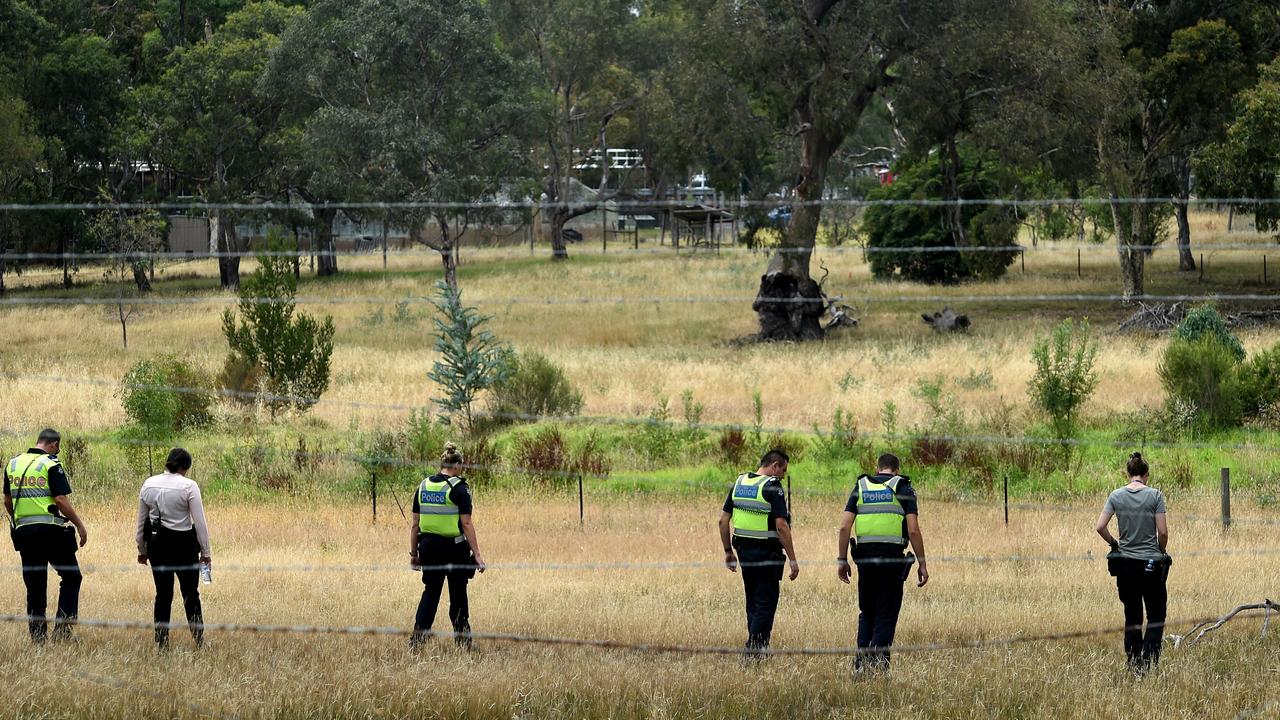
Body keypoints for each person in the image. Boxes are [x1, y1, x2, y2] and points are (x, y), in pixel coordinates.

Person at [836, 453, 928, 673]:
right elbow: (913, 529)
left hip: (865, 560)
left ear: (877, 468)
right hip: (891, 560)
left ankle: (860, 664)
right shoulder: (903, 488)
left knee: (867, 612)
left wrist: (842, 559)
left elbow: (843, 527)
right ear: (895, 470)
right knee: (886, 614)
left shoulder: (861, 486)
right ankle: (877, 666)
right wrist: (922, 563)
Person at [3, 428, 88, 643]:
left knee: (35, 585)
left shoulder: (13, 464)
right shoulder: (51, 464)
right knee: (71, 576)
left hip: (24, 533)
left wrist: (20, 521)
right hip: (50, 531)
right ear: (54, 444)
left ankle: (38, 639)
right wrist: (79, 525)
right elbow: (60, 499)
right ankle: (63, 631)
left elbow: (7, 501)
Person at [718, 449, 800, 659]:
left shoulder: (740, 483)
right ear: (774, 466)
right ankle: (753, 650)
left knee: (753, 600)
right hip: (767, 553)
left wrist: (728, 551)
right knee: (765, 602)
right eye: (783, 469)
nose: (783, 475)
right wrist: (792, 558)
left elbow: (723, 520)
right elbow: (781, 526)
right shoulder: (772, 486)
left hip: (744, 552)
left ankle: (759, 648)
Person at [1095, 452, 1170, 675]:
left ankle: (1134, 662)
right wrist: (1161, 550)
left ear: (1129, 474)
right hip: (1151, 565)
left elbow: (1100, 526)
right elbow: (1163, 532)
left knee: (1132, 614)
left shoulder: (1116, 496)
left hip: (1126, 565)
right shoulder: (1155, 496)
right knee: (1156, 615)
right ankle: (1149, 661)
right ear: (1146, 475)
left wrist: (1115, 544)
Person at [409, 442, 486, 650]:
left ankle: (417, 641)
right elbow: (466, 523)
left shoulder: (423, 486)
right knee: (458, 595)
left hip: (428, 548)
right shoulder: (459, 488)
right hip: (454, 549)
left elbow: (415, 524)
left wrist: (413, 553)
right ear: (458, 465)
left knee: (431, 593)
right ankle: (463, 643)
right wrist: (477, 555)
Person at [136, 448, 211, 650]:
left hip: (157, 546)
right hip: (184, 545)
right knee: (190, 593)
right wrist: (206, 553)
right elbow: (200, 523)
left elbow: (141, 521)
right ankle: (199, 640)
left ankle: (162, 642)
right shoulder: (189, 486)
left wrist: (142, 549)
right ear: (184, 467)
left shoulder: (148, 484)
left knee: (163, 594)